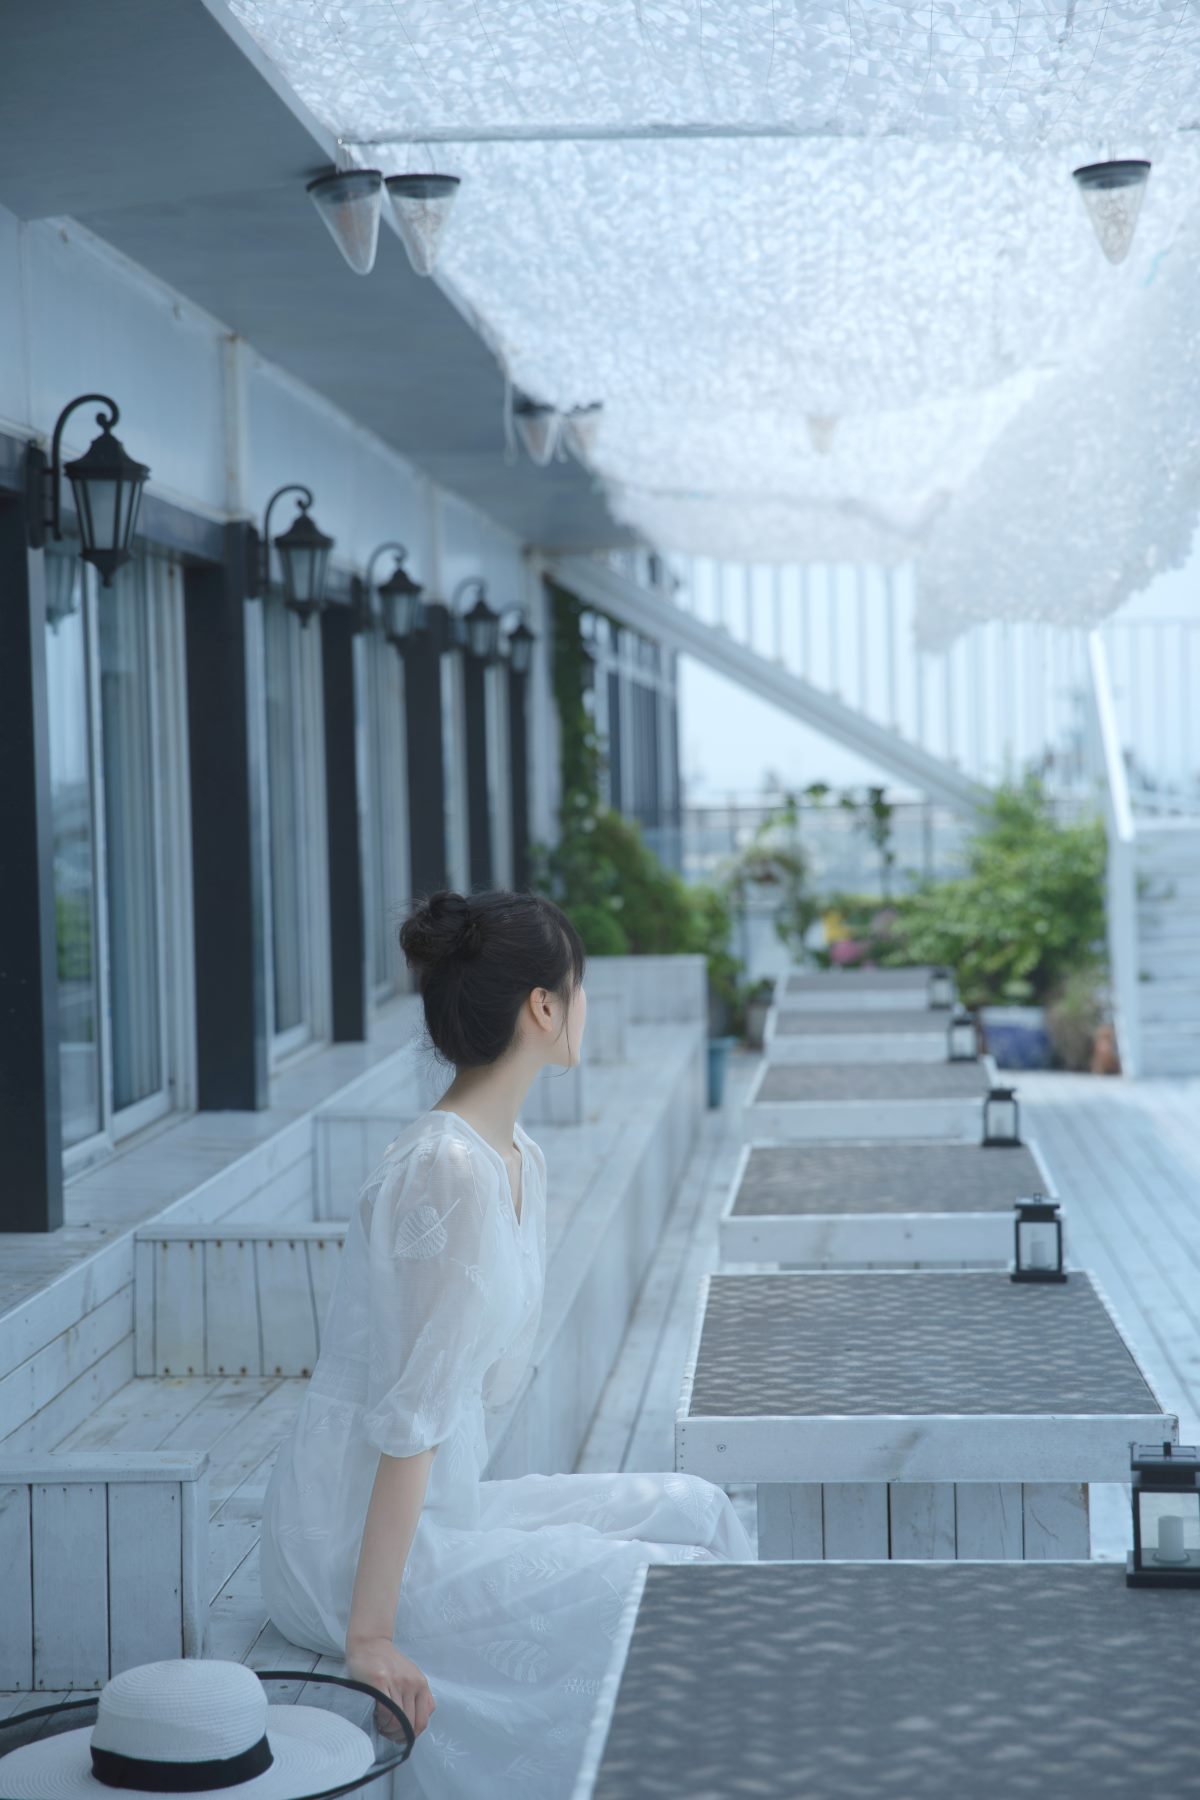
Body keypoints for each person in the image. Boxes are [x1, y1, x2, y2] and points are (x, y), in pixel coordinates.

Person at [260, 889, 752, 1797]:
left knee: (700, 1508)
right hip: (352, 1545)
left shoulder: (517, 1155)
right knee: (672, 1582)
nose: (586, 1005)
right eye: (579, 986)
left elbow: (471, 1393)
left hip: (441, 1505)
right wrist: (371, 1639)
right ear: (543, 1008)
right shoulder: (445, 1169)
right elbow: (408, 1421)